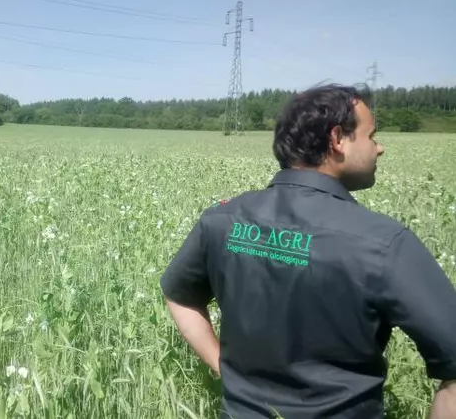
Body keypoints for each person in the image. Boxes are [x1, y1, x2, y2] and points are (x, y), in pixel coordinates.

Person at [159, 83, 456, 419]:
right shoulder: (383, 241)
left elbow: (179, 295)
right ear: (337, 139)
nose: (380, 148)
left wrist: (223, 368)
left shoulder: (223, 220)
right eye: (372, 136)